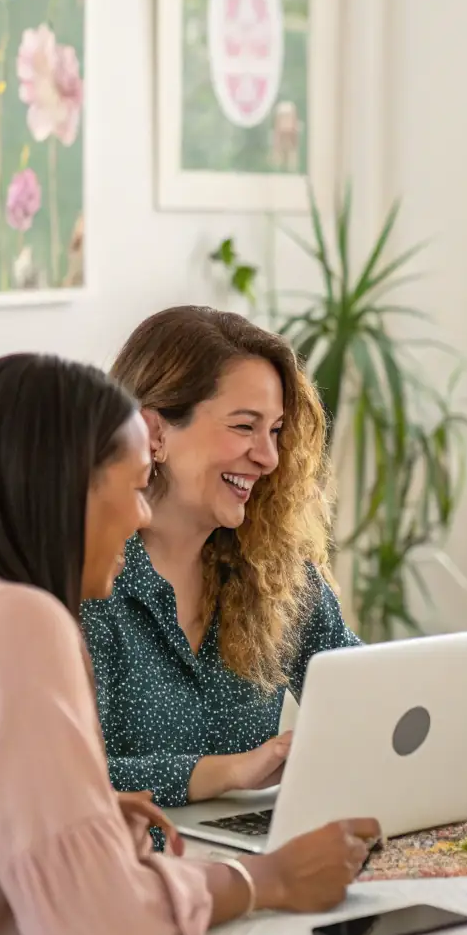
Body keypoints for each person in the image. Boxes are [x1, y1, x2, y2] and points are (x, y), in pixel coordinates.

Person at [0, 355, 378, 935]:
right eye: (129, 486)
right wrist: (270, 881)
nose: (142, 514)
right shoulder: (19, 622)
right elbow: (91, 916)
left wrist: (84, 814)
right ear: (65, 487)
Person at [80, 306, 359, 809]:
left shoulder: (277, 573)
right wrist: (229, 772)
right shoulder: (84, 577)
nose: (268, 457)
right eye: (244, 426)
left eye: (275, 430)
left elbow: (362, 688)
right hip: (126, 868)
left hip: (244, 859)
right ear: (154, 434)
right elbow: (67, 780)